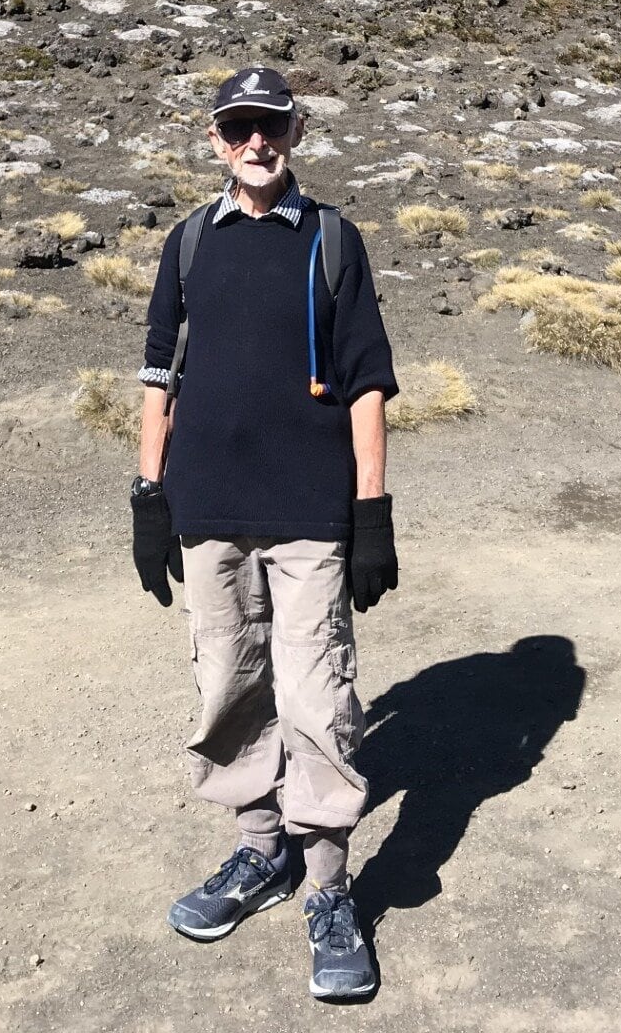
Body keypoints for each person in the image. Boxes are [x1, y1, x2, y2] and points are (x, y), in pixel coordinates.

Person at [131, 66, 400, 1003]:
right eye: (240, 128)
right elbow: (158, 376)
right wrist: (148, 494)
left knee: (319, 696)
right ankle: (259, 854)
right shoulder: (190, 243)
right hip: (209, 509)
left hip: (308, 512)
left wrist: (372, 512)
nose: (257, 143)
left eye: (272, 128)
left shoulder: (332, 240)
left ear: (294, 134)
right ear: (216, 139)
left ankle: (327, 889)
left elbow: (368, 381)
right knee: (228, 687)